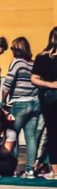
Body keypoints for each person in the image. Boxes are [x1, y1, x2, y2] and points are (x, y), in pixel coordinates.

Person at [0, 37, 39, 178]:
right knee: (31, 138)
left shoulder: (17, 63)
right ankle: (30, 170)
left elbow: (8, 83)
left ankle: (14, 168)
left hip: (19, 103)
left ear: (16, 49)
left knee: (12, 135)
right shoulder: (34, 64)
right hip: (35, 103)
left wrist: (3, 101)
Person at [31, 26, 57, 180]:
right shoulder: (43, 57)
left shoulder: (42, 57)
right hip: (50, 100)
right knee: (53, 133)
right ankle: (55, 170)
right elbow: (34, 78)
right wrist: (51, 84)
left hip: (48, 99)